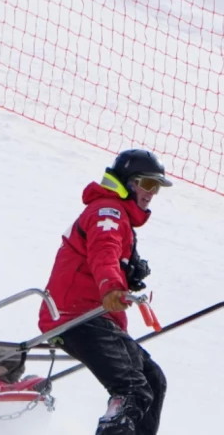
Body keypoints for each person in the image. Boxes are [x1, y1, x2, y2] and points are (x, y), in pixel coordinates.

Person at [39, 149, 171, 435]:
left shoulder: (118, 217)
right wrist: (112, 286)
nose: (152, 193)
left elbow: (109, 255)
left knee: (152, 380)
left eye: (156, 187)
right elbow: (104, 252)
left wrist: (129, 273)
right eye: (147, 184)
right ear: (129, 182)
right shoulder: (107, 212)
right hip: (75, 317)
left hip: (96, 319)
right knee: (132, 390)